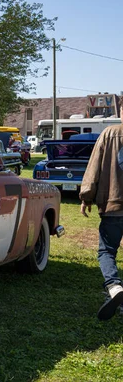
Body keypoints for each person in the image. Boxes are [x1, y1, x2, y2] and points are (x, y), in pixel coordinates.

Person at [80, 122, 123, 320]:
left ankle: (114, 286)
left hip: (113, 205)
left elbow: (94, 166)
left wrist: (86, 196)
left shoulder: (109, 133)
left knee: (106, 251)